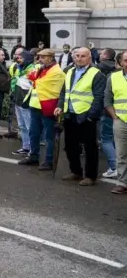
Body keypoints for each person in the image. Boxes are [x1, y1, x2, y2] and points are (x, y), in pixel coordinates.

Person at [54, 47, 106, 186]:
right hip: (70, 114)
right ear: (73, 57)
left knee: (90, 147)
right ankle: (76, 171)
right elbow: (64, 92)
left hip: (86, 115)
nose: (79, 58)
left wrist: (91, 116)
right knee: (71, 145)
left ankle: (90, 176)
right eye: (77, 56)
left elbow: (99, 97)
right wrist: (60, 106)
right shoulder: (69, 71)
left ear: (89, 57)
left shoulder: (97, 74)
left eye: (83, 56)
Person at [18, 48, 65, 170]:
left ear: (51, 57)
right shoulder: (41, 68)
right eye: (39, 57)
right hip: (36, 105)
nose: (40, 60)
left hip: (49, 106)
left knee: (49, 136)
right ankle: (34, 156)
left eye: (43, 57)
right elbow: (30, 76)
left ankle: (49, 161)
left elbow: (38, 82)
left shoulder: (57, 71)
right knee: (33, 133)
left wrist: (33, 78)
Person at [104, 50, 127, 194]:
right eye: (126, 60)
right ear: (121, 62)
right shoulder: (113, 77)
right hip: (121, 121)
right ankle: (122, 183)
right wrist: (114, 116)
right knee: (121, 154)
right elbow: (107, 99)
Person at [11, 50, 36, 156]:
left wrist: (28, 100)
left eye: (21, 58)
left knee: (29, 126)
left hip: (26, 102)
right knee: (22, 126)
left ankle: (33, 149)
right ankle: (25, 147)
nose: (18, 59)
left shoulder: (32, 70)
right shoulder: (19, 68)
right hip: (18, 100)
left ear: (27, 59)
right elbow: (15, 82)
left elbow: (34, 87)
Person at [98, 48, 119, 178]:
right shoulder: (115, 74)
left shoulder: (105, 72)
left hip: (110, 113)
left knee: (106, 139)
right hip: (117, 114)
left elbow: (106, 98)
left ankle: (114, 166)